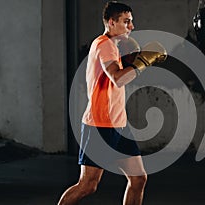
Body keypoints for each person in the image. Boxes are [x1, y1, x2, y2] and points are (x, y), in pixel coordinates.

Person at [58, 1, 166, 205]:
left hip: (119, 124)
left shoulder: (113, 46)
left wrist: (137, 61)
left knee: (138, 178)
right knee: (88, 185)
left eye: (131, 22)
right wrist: (144, 61)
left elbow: (118, 77)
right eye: (126, 22)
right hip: (100, 125)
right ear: (111, 22)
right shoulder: (104, 44)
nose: (131, 27)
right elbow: (118, 78)